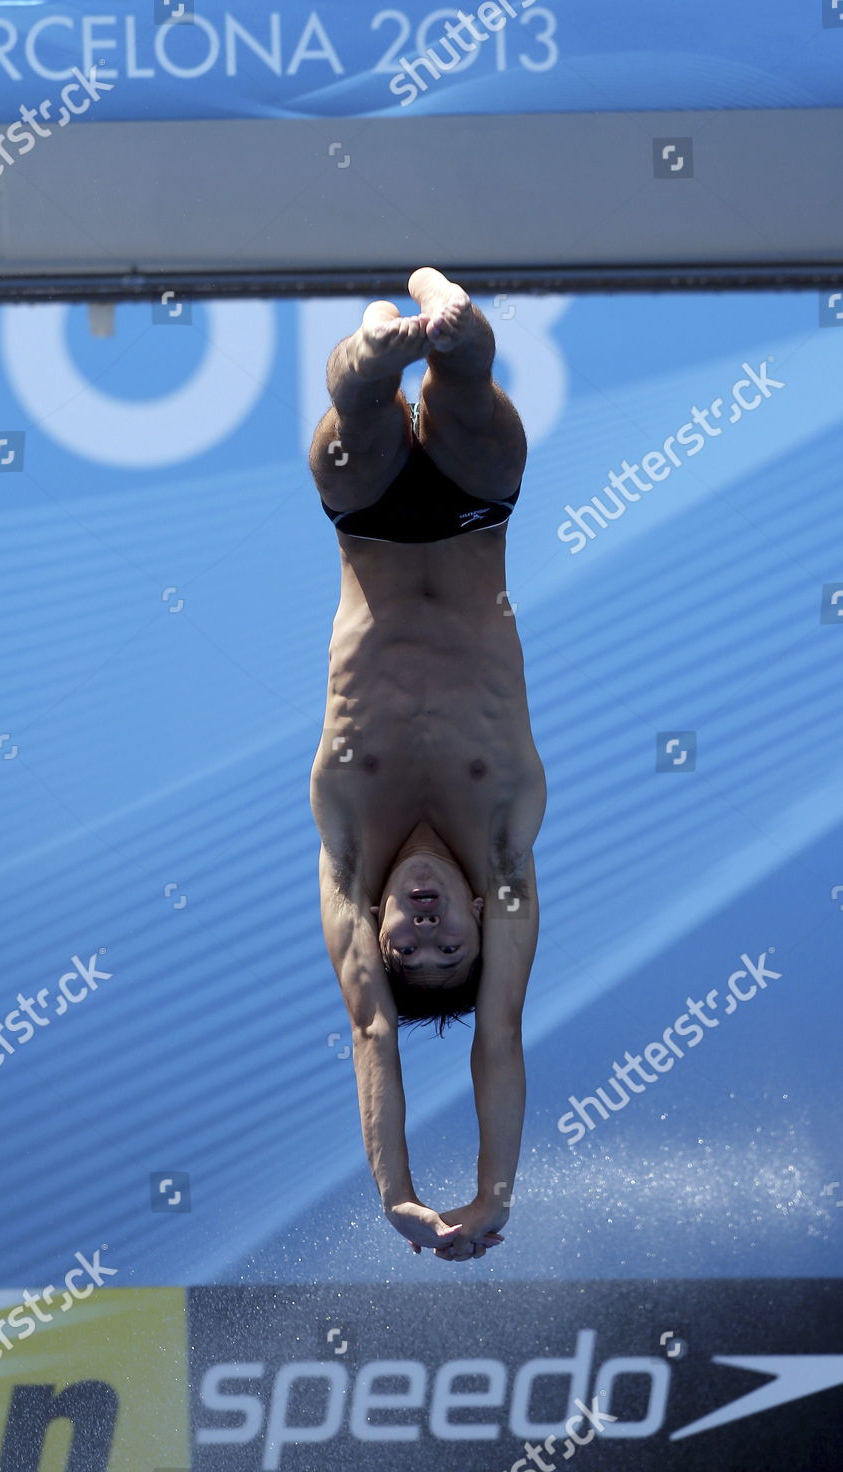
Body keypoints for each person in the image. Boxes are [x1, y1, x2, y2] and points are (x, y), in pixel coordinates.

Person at [308, 268, 546, 1263]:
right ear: (485, 922)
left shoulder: (348, 863)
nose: (429, 925)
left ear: (379, 933)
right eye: (455, 945)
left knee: (357, 405)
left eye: (414, 946)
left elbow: (373, 1035)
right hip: (472, 517)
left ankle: (378, 344)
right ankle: (430, 305)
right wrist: (490, 1192)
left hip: (365, 523)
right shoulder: (503, 857)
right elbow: (499, 1039)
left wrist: (398, 1196)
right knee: (470, 373)